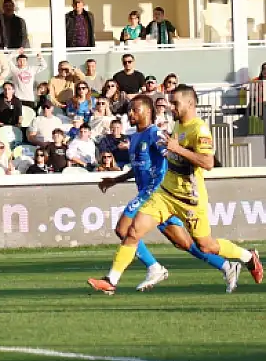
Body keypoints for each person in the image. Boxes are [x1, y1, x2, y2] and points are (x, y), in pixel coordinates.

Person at [90, 87, 263, 293]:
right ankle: (112, 280)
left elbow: (208, 162)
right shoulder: (178, 126)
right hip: (164, 194)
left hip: (189, 198)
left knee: (204, 245)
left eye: (175, 103)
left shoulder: (199, 129)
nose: (170, 107)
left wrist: (176, 148)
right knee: (131, 231)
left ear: (190, 104)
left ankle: (247, 257)